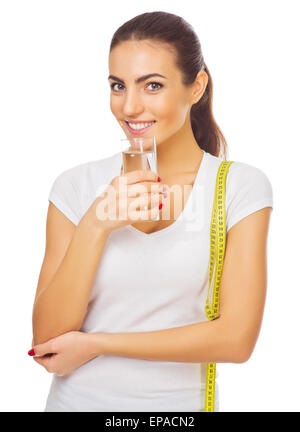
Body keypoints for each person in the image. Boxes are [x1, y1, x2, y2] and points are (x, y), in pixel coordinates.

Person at [30, 11, 273, 412]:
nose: (129, 106)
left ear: (196, 87)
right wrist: (96, 224)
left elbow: (236, 340)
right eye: (117, 86)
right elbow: (47, 340)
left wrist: (98, 344)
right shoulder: (74, 187)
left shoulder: (239, 188)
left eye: (152, 86)